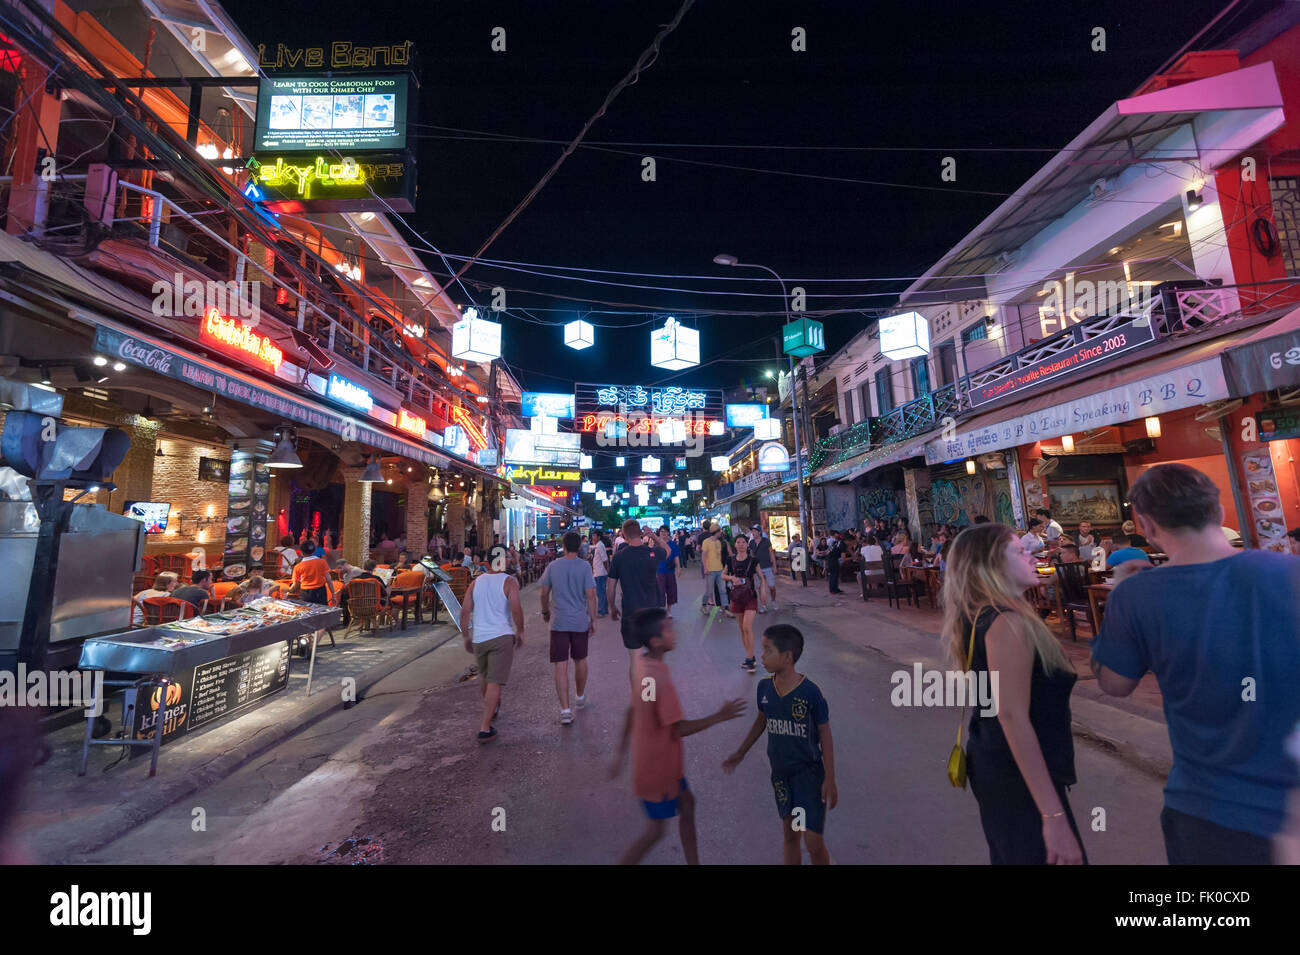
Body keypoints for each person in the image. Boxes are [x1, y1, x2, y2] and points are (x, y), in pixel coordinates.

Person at [1092, 463, 1300, 864]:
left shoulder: (1136, 596)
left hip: (1206, 811)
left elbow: (1114, 684)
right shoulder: (1291, 573)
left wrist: (1119, 598)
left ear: (1147, 525)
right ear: (1220, 514)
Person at [943, 522, 1085, 865]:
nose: (1032, 556)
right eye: (1019, 551)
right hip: (1014, 777)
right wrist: (1052, 817)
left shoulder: (982, 616)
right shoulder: (1007, 623)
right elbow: (1012, 717)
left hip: (997, 767)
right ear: (991, 565)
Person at [609, 608, 745, 865]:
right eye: (669, 629)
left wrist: (620, 753)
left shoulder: (644, 666)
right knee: (655, 831)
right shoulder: (658, 678)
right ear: (656, 641)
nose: (675, 633)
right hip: (658, 769)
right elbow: (678, 728)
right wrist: (720, 715)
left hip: (657, 763)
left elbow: (633, 710)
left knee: (687, 804)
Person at [723, 624, 837, 864]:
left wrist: (830, 777)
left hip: (808, 776)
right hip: (781, 777)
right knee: (791, 835)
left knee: (814, 843)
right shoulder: (765, 688)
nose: (761, 656)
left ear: (787, 657)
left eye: (767, 650)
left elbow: (825, 735)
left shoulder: (810, 693)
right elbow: (761, 722)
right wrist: (740, 752)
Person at [460, 555, 525, 744]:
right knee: (494, 682)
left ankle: (493, 707)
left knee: (486, 677)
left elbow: (465, 611)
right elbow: (516, 608)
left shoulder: (476, 582)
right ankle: (485, 728)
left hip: (480, 638)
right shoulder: (509, 582)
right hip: (500, 637)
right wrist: (520, 631)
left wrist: (466, 636)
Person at [540, 531, 597, 726]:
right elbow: (590, 595)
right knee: (581, 659)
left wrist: (545, 611)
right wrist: (593, 619)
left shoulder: (553, 566)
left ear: (563, 546)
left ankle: (565, 710)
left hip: (558, 622)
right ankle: (579, 697)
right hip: (580, 620)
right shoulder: (585, 567)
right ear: (579, 547)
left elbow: (544, 592)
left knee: (560, 665)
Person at [607, 519, 668, 682]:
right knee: (652, 659)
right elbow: (667, 550)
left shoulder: (619, 557)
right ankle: (650, 698)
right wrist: (653, 536)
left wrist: (612, 607)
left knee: (635, 660)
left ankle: (639, 701)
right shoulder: (651, 553)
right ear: (640, 533)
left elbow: (611, 586)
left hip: (631, 614)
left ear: (624, 534)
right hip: (653, 614)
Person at [724, 535, 762, 673]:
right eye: (738, 542)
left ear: (747, 544)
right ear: (735, 545)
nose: (741, 544)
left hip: (750, 597)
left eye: (743, 542)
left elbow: (761, 577)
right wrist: (732, 577)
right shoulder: (730, 560)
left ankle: (750, 660)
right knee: (742, 629)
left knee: (747, 627)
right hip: (736, 597)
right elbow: (723, 575)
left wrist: (763, 591)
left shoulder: (753, 560)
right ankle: (750, 657)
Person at [700, 523, 728, 615]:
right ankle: (704, 605)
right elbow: (703, 556)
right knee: (709, 590)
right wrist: (705, 568)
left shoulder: (718, 542)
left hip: (720, 569)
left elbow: (719, 556)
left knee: (723, 590)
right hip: (710, 570)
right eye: (719, 531)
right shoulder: (706, 542)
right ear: (716, 532)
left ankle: (725, 607)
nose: (721, 533)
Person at [655, 525, 682, 616]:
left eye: (665, 532)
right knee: (660, 591)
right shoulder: (656, 544)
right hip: (659, 571)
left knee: (671, 591)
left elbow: (676, 557)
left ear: (668, 533)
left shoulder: (672, 544)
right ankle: (662, 611)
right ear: (659, 533)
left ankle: (668, 610)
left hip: (670, 571)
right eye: (662, 531)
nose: (663, 533)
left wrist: (678, 568)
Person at [750, 525, 777, 613]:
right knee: (760, 588)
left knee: (771, 586)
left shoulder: (766, 541)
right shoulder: (751, 543)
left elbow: (771, 553)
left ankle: (773, 601)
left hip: (768, 567)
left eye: (754, 531)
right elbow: (751, 556)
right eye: (752, 531)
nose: (753, 533)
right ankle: (764, 605)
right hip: (757, 569)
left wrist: (774, 566)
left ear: (759, 532)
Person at [590, 531, 610, 617]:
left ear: (598, 537)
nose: (593, 537)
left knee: (600, 593)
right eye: (592, 535)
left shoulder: (600, 545)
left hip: (600, 572)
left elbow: (605, 560)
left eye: (594, 536)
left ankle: (601, 611)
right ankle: (604, 610)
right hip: (598, 572)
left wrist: (607, 570)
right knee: (602, 592)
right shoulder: (598, 545)